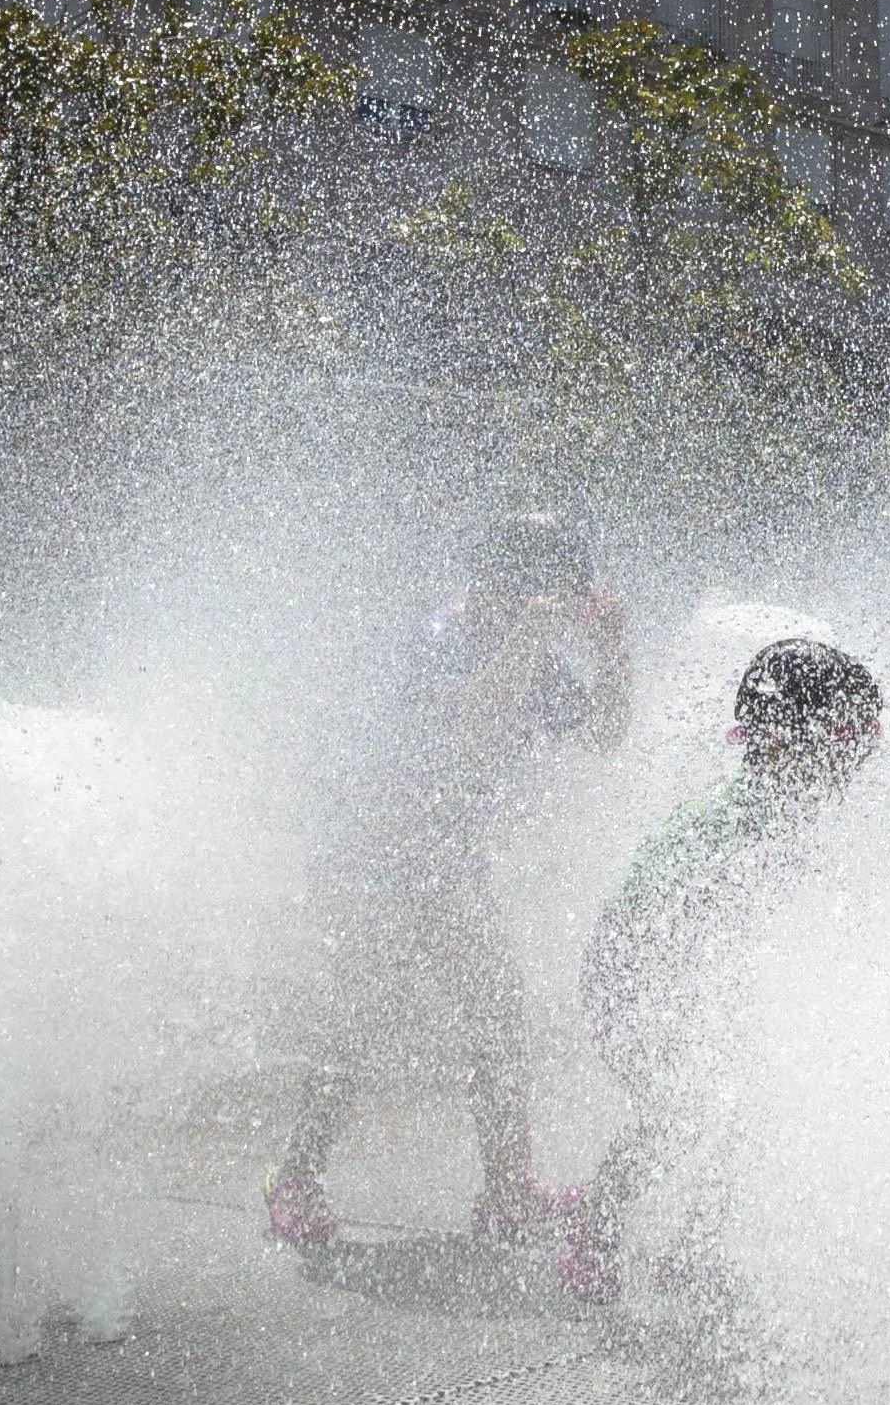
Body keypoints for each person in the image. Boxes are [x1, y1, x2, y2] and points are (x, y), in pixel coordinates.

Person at [269, 514, 632, 1254]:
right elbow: (467, 723)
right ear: (499, 580)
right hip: (373, 852)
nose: (556, 607)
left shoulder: (533, 652)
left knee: (498, 1014)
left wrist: (611, 649)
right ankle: (295, 1178)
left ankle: (506, 1191)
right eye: (547, 591)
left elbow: (605, 737)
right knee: (360, 1025)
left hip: (447, 858)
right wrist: (530, 636)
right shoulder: (434, 632)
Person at [563, 637, 885, 1305]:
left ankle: (695, 1248)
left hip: (675, 977)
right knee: (678, 1111)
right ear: (777, 742)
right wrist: (703, 1010)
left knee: (746, 1104)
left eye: (864, 737)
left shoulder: (778, 809)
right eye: (845, 735)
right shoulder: (740, 822)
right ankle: (592, 1225)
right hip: (632, 979)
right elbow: (674, 933)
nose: (858, 756)